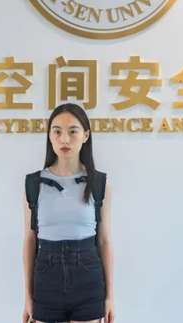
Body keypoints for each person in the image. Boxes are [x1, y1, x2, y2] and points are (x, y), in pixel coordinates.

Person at [22, 103, 115, 323]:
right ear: (49, 136)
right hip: (46, 280)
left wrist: (110, 296)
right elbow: (30, 239)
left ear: (85, 136)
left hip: (88, 278)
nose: (64, 139)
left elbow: (104, 241)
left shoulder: (99, 183)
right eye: (57, 131)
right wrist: (27, 296)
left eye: (73, 131)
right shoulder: (34, 183)